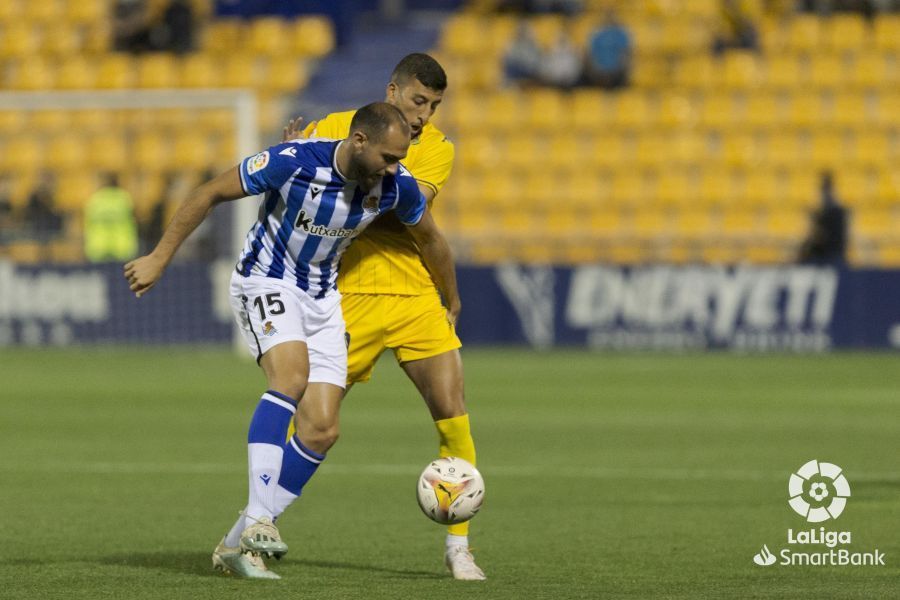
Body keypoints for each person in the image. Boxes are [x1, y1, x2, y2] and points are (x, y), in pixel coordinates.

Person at [124, 102, 460, 580]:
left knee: (322, 429)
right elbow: (210, 192)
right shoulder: (294, 161)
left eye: (399, 159)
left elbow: (431, 239)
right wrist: (160, 256)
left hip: (322, 299)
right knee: (291, 378)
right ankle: (262, 519)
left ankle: (238, 542)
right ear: (359, 141)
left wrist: (452, 297)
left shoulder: (394, 186)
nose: (394, 167)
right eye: (388, 156)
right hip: (266, 280)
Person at [277, 53, 485, 581]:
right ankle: (258, 521)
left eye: (435, 105)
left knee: (452, 410)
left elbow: (406, 206)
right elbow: (296, 179)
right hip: (349, 293)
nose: (424, 115)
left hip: (415, 292)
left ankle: (459, 547)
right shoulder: (336, 126)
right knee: (314, 421)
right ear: (393, 91)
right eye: (419, 101)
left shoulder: (438, 150)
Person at [85, 173, 139, 262]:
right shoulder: (124, 198)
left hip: (98, 247)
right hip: (122, 247)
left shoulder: (95, 199)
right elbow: (135, 219)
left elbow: (88, 222)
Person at [798, 171, 848, 265]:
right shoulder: (830, 209)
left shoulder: (833, 211)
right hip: (830, 256)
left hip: (831, 256)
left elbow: (821, 235)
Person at [585, 9, 632, 89]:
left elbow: (626, 53)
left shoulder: (620, 33)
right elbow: (590, 54)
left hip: (617, 73)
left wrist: (622, 68)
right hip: (599, 73)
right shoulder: (597, 34)